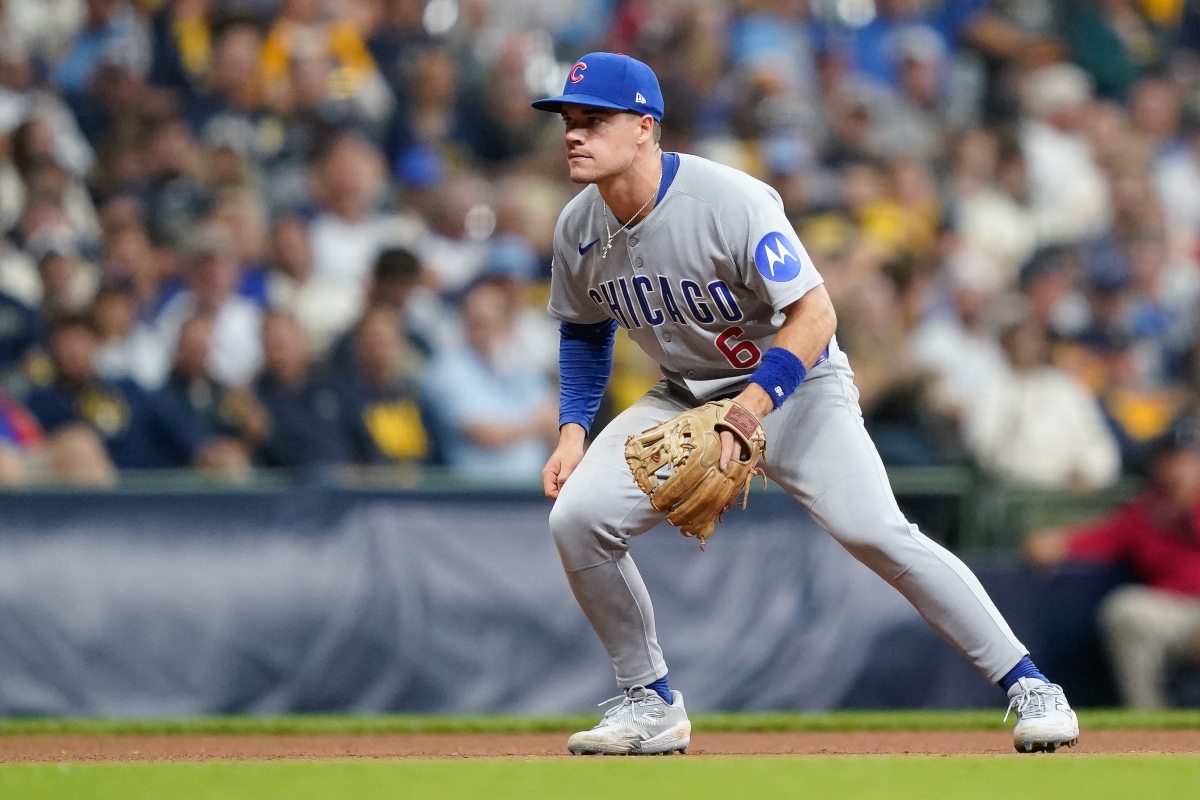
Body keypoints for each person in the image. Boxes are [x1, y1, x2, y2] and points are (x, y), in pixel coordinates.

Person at [533, 52, 1078, 756]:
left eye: (594, 120)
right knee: (577, 519)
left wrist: (755, 405)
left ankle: (1031, 684)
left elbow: (816, 316)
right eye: (569, 122)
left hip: (796, 387)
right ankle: (649, 702)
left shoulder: (730, 201)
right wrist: (573, 432)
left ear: (645, 128)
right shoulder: (577, 226)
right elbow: (583, 332)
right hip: (684, 392)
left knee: (875, 531)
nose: (574, 134)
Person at [1025, 416, 1200, 709]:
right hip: (1175, 614)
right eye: (1172, 460)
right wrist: (1058, 542)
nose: (1179, 469)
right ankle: (1148, 718)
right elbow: (1102, 537)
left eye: (1188, 461)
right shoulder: (1146, 512)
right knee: (1125, 610)